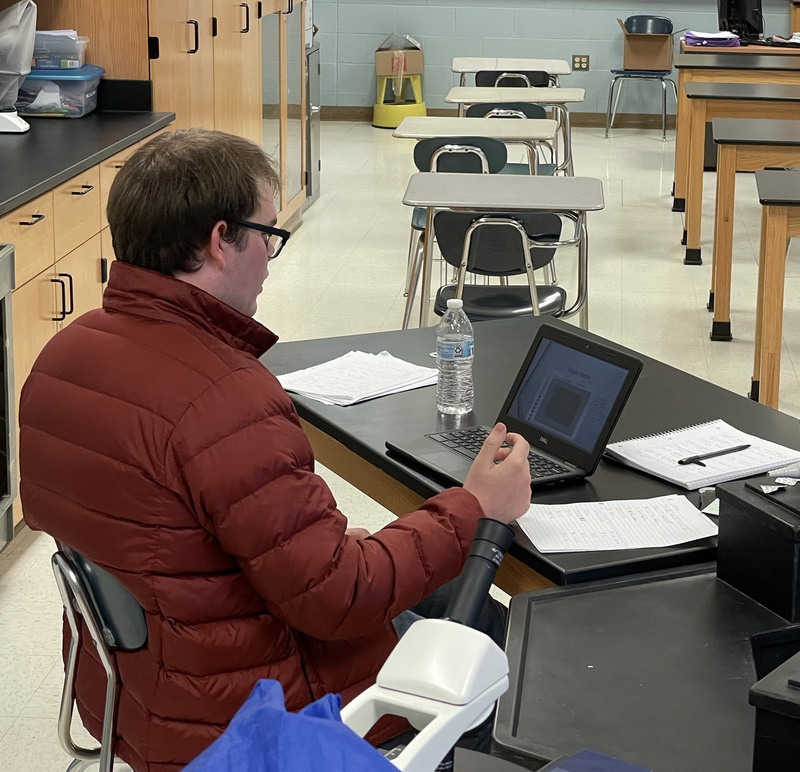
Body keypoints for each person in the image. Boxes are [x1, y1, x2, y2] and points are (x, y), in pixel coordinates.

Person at [18, 128, 532, 772]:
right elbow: (336, 598)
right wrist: (475, 505)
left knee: (443, 584)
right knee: (485, 637)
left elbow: (181, 546)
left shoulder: (64, 356)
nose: (269, 256)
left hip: (136, 690)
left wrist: (346, 544)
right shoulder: (223, 396)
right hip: (252, 717)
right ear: (219, 241)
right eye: (268, 235)